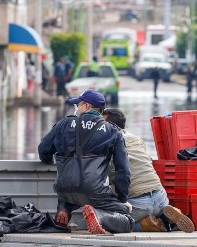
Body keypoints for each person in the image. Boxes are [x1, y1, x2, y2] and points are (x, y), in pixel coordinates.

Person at [37, 89, 134, 235]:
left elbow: (43, 149)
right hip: (94, 190)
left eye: (78, 104)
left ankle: (63, 210)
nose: (76, 108)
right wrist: (122, 198)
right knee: (127, 220)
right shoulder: (112, 131)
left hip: (64, 189)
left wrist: (48, 160)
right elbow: (123, 171)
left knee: (69, 189)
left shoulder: (64, 123)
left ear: (87, 106)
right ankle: (99, 215)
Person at [101, 108, 195, 233]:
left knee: (104, 222)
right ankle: (166, 217)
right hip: (161, 196)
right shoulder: (137, 139)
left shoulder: (105, 143)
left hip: (137, 204)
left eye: (101, 123)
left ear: (109, 125)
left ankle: (145, 225)